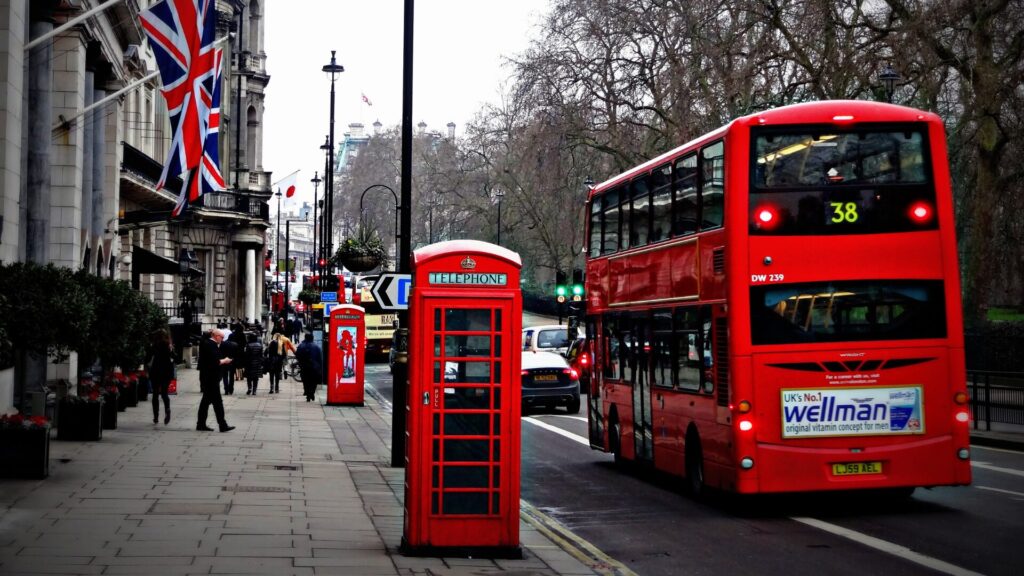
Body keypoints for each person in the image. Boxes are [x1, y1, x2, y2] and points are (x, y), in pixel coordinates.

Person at [196, 329, 235, 432]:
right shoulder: (210, 345)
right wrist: (224, 360)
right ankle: (222, 425)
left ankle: (202, 424)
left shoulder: (209, 344)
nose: (222, 339)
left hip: (210, 378)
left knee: (206, 402)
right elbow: (213, 362)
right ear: (216, 336)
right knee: (216, 402)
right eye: (221, 337)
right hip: (211, 378)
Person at [146, 329, 175, 425]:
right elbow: (175, 357)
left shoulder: (155, 345)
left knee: (155, 394)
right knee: (164, 393)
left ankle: (156, 417)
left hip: (156, 371)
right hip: (167, 371)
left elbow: (148, 357)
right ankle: (167, 409)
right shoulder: (168, 345)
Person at [294, 332, 323, 402]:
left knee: (305, 380)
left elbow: (297, 355)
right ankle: (312, 392)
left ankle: (307, 393)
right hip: (314, 367)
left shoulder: (301, 346)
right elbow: (320, 358)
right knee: (313, 381)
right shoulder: (317, 347)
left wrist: (300, 363)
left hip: (304, 366)